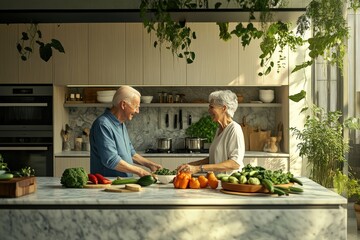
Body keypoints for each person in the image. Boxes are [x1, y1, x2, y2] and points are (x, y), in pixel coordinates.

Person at [90, 86, 162, 177]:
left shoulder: (121, 124)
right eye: (136, 107)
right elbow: (111, 160)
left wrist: (150, 164)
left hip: (122, 184)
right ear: (123, 105)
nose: (137, 111)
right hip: (108, 185)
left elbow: (131, 153)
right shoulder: (103, 125)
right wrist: (140, 171)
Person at [177, 90, 245, 175]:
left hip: (229, 184)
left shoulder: (234, 129)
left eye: (212, 107)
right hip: (217, 182)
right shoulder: (219, 129)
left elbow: (235, 163)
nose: (208, 110)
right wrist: (190, 165)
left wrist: (199, 168)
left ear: (223, 108)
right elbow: (214, 158)